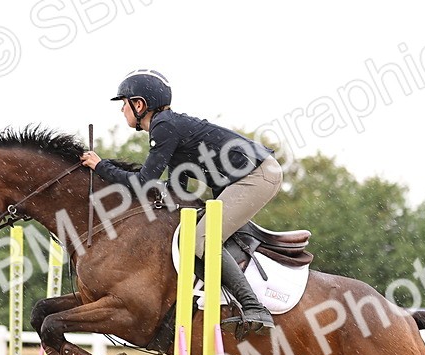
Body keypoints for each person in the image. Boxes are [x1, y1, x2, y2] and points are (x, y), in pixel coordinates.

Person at [80, 69, 280, 338]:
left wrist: (100, 165)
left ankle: (254, 307)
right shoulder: (169, 128)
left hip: (257, 176)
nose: (122, 111)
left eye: (124, 104)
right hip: (247, 176)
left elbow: (143, 181)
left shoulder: (164, 127)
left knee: (203, 241)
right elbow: (175, 187)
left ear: (139, 105)